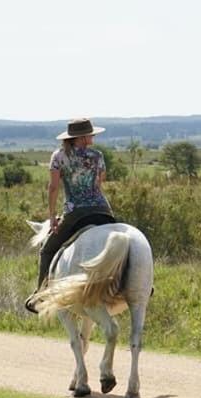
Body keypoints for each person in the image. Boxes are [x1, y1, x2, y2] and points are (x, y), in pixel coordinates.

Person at [25, 118, 116, 313]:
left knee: (47, 250)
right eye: (90, 134)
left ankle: (41, 294)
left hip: (76, 212)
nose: (92, 137)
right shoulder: (97, 156)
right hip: (102, 209)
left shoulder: (59, 157)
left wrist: (51, 216)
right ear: (83, 137)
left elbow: (53, 187)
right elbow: (100, 184)